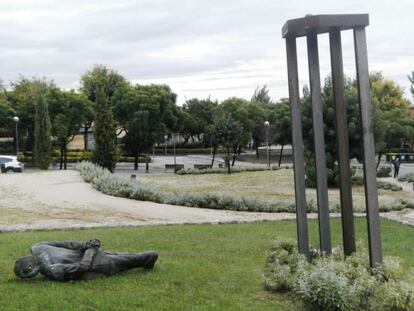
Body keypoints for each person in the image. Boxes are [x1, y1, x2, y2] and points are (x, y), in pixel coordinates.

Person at [14, 239, 158, 282]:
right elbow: (84, 266)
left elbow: (66, 244)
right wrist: (91, 250)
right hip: (100, 264)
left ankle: (146, 259)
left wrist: (85, 245)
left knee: (126, 255)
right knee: (142, 257)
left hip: (94, 253)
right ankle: (149, 259)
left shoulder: (37, 246)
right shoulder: (53, 271)